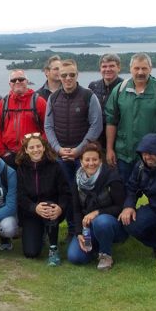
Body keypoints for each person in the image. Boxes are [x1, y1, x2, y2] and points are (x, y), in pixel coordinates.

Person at [44, 59, 103, 236]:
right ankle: (72, 230)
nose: (68, 78)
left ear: (77, 75)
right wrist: (57, 148)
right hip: (61, 156)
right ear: (58, 76)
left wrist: (79, 150)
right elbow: (49, 126)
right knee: (67, 193)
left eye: (72, 75)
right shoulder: (53, 98)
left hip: (83, 157)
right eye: (64, 75)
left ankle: (90, 230)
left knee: (88, 194)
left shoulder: (88, 96)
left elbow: (96, 125)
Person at [105, 53, 156, 183]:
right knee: (126, 194)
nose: (140, 72)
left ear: (151, 68)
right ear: (130, 69)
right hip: (125, 156)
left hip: (153, 155)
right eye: (136, 68)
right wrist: (109, 149)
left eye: (144, 68)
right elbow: (111, 121)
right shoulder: (120, 90)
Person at [66, 143, 127, 270]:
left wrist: (97, 212)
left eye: (94, 159)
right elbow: (76, 210)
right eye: (87, 160)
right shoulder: (77, 180)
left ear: (100, 161)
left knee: (101, 221)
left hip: (112, 224)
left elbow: (121, 207)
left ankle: (106, 255)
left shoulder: (111, 177)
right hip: (88, 227)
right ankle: (94, 249)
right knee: (75, 257)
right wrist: (78, 233)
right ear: (81, 162)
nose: (91, 163)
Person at [15, 133, 70, 265]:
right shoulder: (21, 168)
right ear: (26, 150)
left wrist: (60, 208)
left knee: (49, 207)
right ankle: (41, 234)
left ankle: (53, 249)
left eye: (38, 146)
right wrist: (34, 208)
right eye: (31, 147)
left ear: (44, 147)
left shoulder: (55, 166)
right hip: (31, 212)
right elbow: (20, 196)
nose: (36, 150)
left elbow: (65, 192)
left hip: (51, 210)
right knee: (31, 253)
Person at [0, 69, 47, 168]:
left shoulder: (39, 102)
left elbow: (47, 128)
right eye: (14, 80)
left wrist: (38, 149)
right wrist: (3, 152)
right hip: (9, 155)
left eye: (21, 79)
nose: (17, 82)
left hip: (32, 155)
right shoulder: (3, 104)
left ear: (27, 81)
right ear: (10, 84)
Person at [88, 54, 123, 149]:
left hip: (118, 140)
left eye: (112, 66)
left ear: (119, 67)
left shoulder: (124, 87)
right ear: (100, 69)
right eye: (104, 66)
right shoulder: (93, 86)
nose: (107, 69)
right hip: (97, 140)